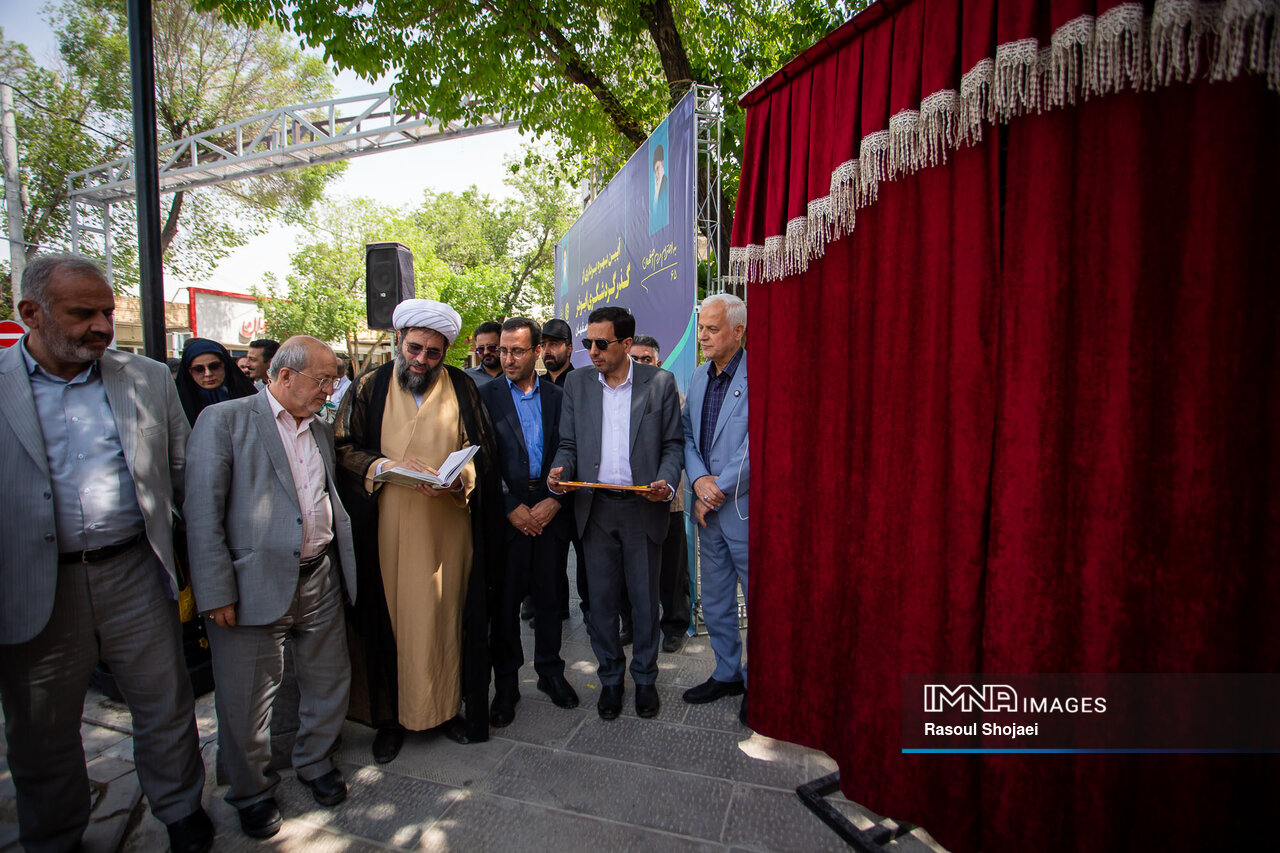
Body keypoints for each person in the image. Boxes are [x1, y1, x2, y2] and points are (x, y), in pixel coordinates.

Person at [0, 254, 212, 853]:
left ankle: (180, 808)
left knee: (165, 703)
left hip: (135, 571)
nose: (100, 326)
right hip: (36, 586)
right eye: (82, 314)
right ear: (31, 314)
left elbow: (186, 475)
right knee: (41, 727)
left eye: (106, 312)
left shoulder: (145, 377)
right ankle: (55, 834)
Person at [184, 336, 357, 839]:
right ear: (285, 376)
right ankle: (251, 792)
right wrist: (216, 591)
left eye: (333, 381)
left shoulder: (319, 427)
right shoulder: (225, 421)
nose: (329, 391)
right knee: (246, 700)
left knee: (328, 679)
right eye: (322, 380)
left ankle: (316, 761)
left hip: (319, 575)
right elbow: (202, 512)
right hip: (249, 585)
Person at [335, 299, 504, 762]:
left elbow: (480, 449)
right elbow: (343, 447)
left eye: (433, 353)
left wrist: (459, 479)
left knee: (444, 620)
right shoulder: (369, 386)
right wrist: (385, 466)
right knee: (392, 621)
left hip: (447, 526)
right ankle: (391, 720)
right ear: (399, 341)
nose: (421, 360)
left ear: (445, 352)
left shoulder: (462, 386)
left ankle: (445, 711)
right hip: (386, 527)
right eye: (414, 349)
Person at [549, 306, 683, 721]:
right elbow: (568, 445)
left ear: (626, 344)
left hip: (643, 509)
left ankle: (644, 679)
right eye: (587, 342)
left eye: (601, 343)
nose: (592, 351)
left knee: (644, 602)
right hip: (595, 510)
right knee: (602, 604)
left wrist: (665, 481)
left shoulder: (660, 383)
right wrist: (560, 470)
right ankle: (610, 679)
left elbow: (673, 445)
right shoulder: (578, 384)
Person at [479, 318, 579, 726]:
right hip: (508, 515)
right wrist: (509, 506)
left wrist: (555, 500)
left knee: (550, 598)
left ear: (537, 351)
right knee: (505, 605)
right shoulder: (484, 397)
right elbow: (479, 457)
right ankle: (506, 685)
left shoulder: (559, 397)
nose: (507, 358)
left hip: (550, 508)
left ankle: (550, 672)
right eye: (503, 351)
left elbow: (571, 448)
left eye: (517, 351)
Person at [680, 293, 750, 724]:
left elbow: (757, 445)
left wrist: (715, 489)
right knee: (718, 599)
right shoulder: (698, 376)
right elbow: (687, 435)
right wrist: (699, 482)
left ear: (738, 331)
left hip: (742, 509)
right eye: (701, 328)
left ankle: (760, 682)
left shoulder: (760, 374)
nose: (702, 336)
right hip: (707, 511)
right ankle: (727, 673)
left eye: (712, 329)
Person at [631, 335, 692, 653]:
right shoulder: (619, 397)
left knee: (672, 569)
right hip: (631, 502)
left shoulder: (676, 398)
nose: (640, 364)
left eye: (646, 359)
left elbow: (675, 446)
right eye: (635, 358)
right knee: (632, 570)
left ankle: (674, 626)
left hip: (668, 500)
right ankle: (633, 624)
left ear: (658, 362)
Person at [540, 318, 588, 623]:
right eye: (543, 345)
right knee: (551, 558)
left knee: (586, 558)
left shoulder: (584, 383)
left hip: (581, 489)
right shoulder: (536, 386)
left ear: (569, 348)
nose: (548, 351)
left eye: (554, 344)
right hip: (550, 489)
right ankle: (553, 609)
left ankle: (591, 612)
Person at [175, 337, 256, 426]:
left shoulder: (247, 397)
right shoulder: (178, 405)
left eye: (215, 366)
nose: (208, 374)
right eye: (198, 369)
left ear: (226, 366)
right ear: (189, 371)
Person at [465, 320, 503, 386]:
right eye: (481, 349)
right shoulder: (466, 378)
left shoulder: (516, 375)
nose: (486, 352)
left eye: (491, 347)